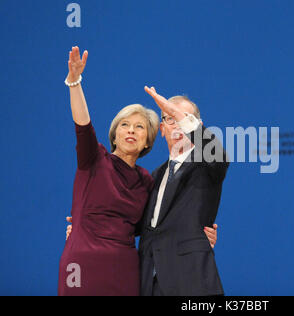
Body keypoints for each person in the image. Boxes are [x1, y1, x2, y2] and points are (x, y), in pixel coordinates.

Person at [58, 46, 218, 296]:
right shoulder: (95, 160)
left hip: (129, 270)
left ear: (148, 141)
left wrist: (196, 235)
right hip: (85, 264)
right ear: (114, 134)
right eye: (125, 125)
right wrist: (75, 82)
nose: (131, 130)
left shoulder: (147, 180)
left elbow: (151, 226)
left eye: (139, 127)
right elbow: (83, 124)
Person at [138, 87, 229, 296]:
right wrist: (86, 229)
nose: (177, 124)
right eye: (170, 119)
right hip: (148, 284)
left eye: (183, 118)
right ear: (161, 129)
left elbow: (217, 154)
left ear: (198, 127)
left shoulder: (207, 165)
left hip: (191, 283)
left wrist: (175, 112)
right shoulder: (152, 177)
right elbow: (133, 224)